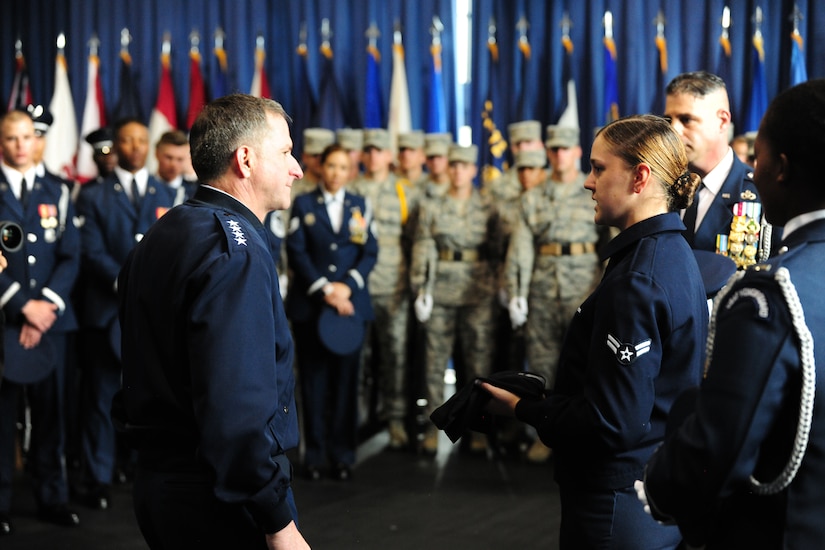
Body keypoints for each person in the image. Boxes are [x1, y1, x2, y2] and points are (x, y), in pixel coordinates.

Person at [481, 115, 708, 549]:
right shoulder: (673, 253)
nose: (588, 181)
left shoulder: (638, 279)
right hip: (654, 487)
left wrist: (525, 409)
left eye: (599, 168)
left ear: (640, 177)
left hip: (617, 504)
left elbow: (612, 423)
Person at [116, 94, 310, 549]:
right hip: (218, 499)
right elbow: (236, 406)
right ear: (245, 159)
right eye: (284, 152)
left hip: (160, 483)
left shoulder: (169, 229)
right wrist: (277, 521)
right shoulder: (235, 252)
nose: (296, 168)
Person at [638, 79, 825, 550]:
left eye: (758, 156)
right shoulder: (668, 187)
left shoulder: (770, 294)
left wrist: (661, 485)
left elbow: (724, 447)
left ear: (780, 168)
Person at [74, 117, 179, 511]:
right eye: (127, 141)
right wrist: (129, 283)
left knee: (149, 399)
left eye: (140, 140)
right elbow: (91, 251)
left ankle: (142, 470)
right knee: (101, 400)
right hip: (107, 313)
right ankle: (97, 477)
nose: (134, 147)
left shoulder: (165, 192)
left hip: (153, 318)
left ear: (148, 146)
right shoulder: (93, 194)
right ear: (116, 147)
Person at [504, 125, 612, 463]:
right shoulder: (533, 197)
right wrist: (516, 291)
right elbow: (521, 248)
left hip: (585, 287)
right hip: (542, 287)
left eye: (566, 148)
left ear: (578, 152)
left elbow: (610, 245)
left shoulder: (595, 190)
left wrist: (608, 287)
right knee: (542, 364)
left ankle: (582, 434)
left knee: (588, 364)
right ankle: (545, 434)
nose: (560, 155)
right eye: (554, 149)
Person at [0, 109, 82, 535]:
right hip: (5, 322)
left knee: (53, 415)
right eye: (11, 138)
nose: (19, 145)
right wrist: (20, 305)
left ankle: (52, 497)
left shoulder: (60, 189)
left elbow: (71, 253)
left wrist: (44, 306)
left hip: (52, 323)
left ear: (37, 140)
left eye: (26, 137)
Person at [287, 143, 377, 481]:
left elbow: (369, 251)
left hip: (350, 307)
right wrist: (326, 290)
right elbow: (297, 251)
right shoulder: (304, 203)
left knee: (346, 384)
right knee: (313, 382)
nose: (337, 173)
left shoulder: (360, 205)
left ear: (350, 171)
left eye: (343, 167)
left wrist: (346, 288)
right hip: (313, 307)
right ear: (320, 168)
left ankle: (342, 455)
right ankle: (315, 454)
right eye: (331, 166)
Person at [412, 144, 504, 455]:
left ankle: (476, 431)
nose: (458, 171)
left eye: (464, 166)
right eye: (453, 165)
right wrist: (421, 289)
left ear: (474, 170)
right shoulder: (432, 205)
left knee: (478, 363)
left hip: (478, 290)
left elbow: (497, 249)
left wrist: (500, 286)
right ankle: (430, 430)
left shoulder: (488, 205)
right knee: (434, 364)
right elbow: (423, 248)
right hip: (441, 289)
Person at [351, 128, 420, 449]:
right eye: (370, 150)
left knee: (396, 355)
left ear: (390, 156)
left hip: (394, 285)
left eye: (380, 150)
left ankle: (395, 420)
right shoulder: (353, 190)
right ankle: (360, 417)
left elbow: (414, 239)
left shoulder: (404, 190)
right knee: (359, 356)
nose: (375, 155)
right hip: (358, 287)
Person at [664, 71, 768, 254]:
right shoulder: (661, 188)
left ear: (722, 121)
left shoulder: (761, 193)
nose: (673, 130)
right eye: (668, 120)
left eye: (686, 120)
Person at [484, 120, 544, 203]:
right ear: (512, 148)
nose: (523, 149)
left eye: (528, 142)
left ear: (540, 145)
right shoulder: (499, 186)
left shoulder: (553, 179)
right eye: (518, 144)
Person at [154, 129, 197, 200]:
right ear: (157, 153)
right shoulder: (143, 187)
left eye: (180, 159)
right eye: (169, 157)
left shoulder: (194, 193)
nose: (173, 164)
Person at [419, 132, 452, 198]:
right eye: (431, 157)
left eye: (439, 157)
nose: (435, 162)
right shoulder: (419, 187)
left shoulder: (457, 186)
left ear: (448, 158)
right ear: (426, 160)